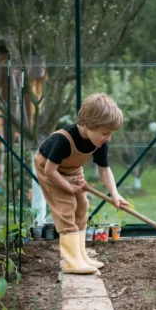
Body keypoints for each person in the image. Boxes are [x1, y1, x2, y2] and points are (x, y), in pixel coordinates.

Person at [34, 93, 129, 274]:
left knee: (82, 205)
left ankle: (80, 255)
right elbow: (49, 170)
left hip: (72, 169)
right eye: (105, 133)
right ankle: (70, 262)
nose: (108, 138)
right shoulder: (62, 140)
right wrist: (69, 187)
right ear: (88, 125)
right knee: (66, 206)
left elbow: (104, 169)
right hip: (50, 170)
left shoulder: (99, 142)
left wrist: (115, 194)